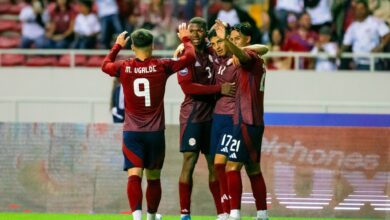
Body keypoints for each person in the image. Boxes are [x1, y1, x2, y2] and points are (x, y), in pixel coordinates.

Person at [101, 24, 196, 220]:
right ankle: (152, 216)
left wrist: (117, 46)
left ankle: (137, 217)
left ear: (133, 46)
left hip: (132, 133)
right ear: (152, 46)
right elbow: (190, 58)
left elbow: (105, 65)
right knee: (153, 178)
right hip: (155, 133)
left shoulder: (124, 67)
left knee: (134, 175)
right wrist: (186, 39)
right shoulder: (163, 65)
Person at [214, 19, 268, 220]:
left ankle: (234, 214)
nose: (234, 42)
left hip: (245, 120)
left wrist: (229, 43)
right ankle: (262, 214)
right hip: (255, 121)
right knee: (253, 169)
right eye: (232, 39)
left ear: (248, 39)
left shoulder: (250, 57)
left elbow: (245, 54)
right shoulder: (256, 58)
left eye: (238, 39)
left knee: (232, 166)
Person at [176, 17, 228, 220]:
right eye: (192, 30)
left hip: (213, 117)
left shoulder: (213, 51)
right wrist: (218, 89)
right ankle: (185, 214)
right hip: (193, 116)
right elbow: (188, 87)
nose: (195, 34)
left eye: (199, 30)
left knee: (215, 165)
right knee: (189, 162)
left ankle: (222, 213)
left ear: (206, 32)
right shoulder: (184, 54)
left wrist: (224, 31)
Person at [339, 0, 390, 70]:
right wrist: (340, 51)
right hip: (359, 64)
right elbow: (346, 44)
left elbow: (387, 34)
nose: (359, 11)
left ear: (366, 9)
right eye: (357, 9)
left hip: (374, 63)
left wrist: (380, 47)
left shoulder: (374, 21)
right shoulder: (352, 27)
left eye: (361, 9)